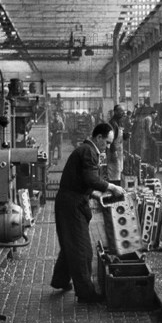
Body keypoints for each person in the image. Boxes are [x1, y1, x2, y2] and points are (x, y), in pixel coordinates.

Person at [50, 123, 125, 303]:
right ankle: (86, 293)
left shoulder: (86, 150)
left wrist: (96, 194)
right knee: (82, 249)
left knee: (71, 243)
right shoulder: (89, 152)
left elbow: (79, 180)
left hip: (69, 201)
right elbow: (90, 178)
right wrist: (113, 187)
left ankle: (60, 280)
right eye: (106, 142)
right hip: (71, 205)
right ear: (98, 137)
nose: (107, 147)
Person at [106, 105, 129, 185]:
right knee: (114, 173)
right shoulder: (113, 123)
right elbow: (110, 140)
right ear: (115, 112)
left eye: (124, 111)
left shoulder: (119, 123)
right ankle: (113, 193)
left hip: (119, 151)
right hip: (114, 152)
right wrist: (114, 153)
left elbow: (118, 136)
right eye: (121, 111)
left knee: (118, 171)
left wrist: (125, 136)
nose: (123, 113)